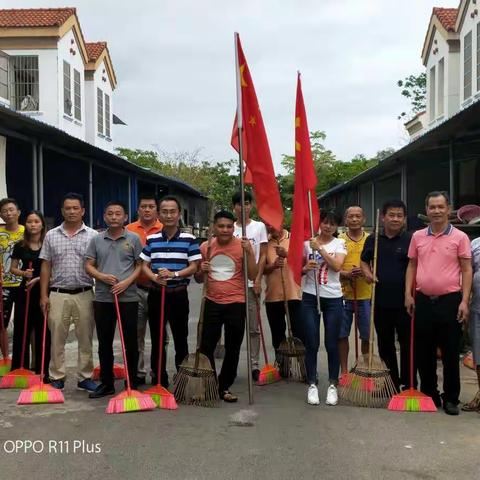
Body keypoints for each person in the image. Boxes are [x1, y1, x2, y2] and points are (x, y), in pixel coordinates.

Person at [405, 191, 472, 416]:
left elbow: (466, 269)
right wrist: (408, 294)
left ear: (448, 209)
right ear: (426, 210)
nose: (436, 211)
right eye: (432, 207)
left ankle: (451, 398)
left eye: (440, 207)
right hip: (423, 300)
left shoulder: (460, 237)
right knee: (424, 351)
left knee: (451, 351)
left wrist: (464, 300)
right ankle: (430, 393)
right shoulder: (418, 236)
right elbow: (412, 266)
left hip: (450, 301)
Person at [195, 210, 257, 402]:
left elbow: (253, 275)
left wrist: (249, 253)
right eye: (221, 226)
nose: (225, 230)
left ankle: (224, 386)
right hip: (212, 301)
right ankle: (211, 383)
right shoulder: (206, 247)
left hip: (236, 303)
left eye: (229, 226)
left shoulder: (243, 246)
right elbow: (198, 278)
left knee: (233, 347)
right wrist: (201, 270)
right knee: (206, 346)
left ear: (234, 227)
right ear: (214, 227)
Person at [39, 193, 98, 392]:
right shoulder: (51, 235)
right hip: (57, 293)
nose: (71, 212)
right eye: (67, 208)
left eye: (75, 208)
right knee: (56, 337)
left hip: (85, 293)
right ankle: (57, 376)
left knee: (85, 337)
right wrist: (43, 295)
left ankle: (85, 376)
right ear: (62, 211)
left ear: (83, 210)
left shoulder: (93, 236)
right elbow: (46, 266)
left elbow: (98, 264)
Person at [141, 195, 201, 387]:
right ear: (159, 214)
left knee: (180, 338)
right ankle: (159, 379)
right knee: (158, 339)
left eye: (172, 211)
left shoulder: (189, 239)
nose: (168, 215)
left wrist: (174, 275)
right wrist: (155, 278)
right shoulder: (152, 239)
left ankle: (183, 379)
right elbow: (143, 265)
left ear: (178, 214)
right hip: (157, 295)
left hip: (178, 295)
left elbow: (194, 266)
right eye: (164, 211)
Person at [86, 201, 143, 398]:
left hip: (128, 297)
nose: (114, 217)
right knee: (104, 342)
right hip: (103, 298)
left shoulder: (134, 239)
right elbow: (89, 265)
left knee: (130, 341)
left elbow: (139, 266)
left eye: (118, 214)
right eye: (110, 214)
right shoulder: (96, 239)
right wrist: (100, 277)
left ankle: (132, 382)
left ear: (125, 217)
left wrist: (126, 283)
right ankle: (107, 383)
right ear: (104, 217)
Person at [361, 199, 412, 392]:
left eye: (399, 215)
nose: (395, 219)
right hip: (380, 302)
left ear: (404, 219)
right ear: (383, 217)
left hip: (405, 302)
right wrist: (367, 273)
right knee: (385, 344)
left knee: (407, 345)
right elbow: (364, 261)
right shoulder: (373, 239)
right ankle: (390, 383)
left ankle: (408, 384)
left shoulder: (410, 239)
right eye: (391, 215)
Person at [302, 209, 346, 406]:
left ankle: (332, 385)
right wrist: (305, 268)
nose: (328, 226)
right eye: (325, 222)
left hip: (334, 298)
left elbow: (337, 266)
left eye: (333, 224)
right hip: (310, 296)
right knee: (311, 342)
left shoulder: (339, 243)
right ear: (319, 223)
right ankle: (311, 384)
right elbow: (297, 269)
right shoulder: (306, 244)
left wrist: (319, 249)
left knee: (331, 343)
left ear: (336, 227)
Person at [126, 194, 163, 384]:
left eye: (151, 206)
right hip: (136, 289)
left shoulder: (165, 230)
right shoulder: (129, 230)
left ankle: (158, 371)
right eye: (143, 206)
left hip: (159, 290)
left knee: (160, 335)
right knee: (136, 333)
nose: (147, 210)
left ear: (157, 210)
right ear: (138, 209)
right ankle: (137, 372)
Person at [232, 190, 268, 382]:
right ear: (234, 207)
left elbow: (262, 255)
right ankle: (233, 363)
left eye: (246, 203)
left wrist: (257, 280)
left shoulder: (259, 227)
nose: (243, 207)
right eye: (239, 204)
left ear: (251, 206)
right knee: (234, 327)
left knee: (253, 328)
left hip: (251, 283)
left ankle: (254, 364)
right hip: (232, 285)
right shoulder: (230, 227)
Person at [10, 211, 49, 379]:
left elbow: (53, 269)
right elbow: (12, 268)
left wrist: (39, 278)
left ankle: (42, 369)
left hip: (44, 290)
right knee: (22, 329)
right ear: (25, 225)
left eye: (36, 221)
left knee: (43, 329)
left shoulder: (48, 243)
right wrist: (24, 273)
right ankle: (20, 368)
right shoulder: (20, 245)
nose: (33, 224)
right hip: (24, 290)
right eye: (29, 222)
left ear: (42, 224)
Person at [338, 206, 372, 377]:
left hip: (365, 294)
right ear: (345, 220)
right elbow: (333, 267)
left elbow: (375, 265)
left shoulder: (371, 239)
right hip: (343, 294)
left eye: (358, 216)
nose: (354, 219)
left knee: (366, 336)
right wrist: (346, 274)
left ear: (364, 219)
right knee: (342, 335)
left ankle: (364, 369)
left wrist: (367, 273)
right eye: (350, 216)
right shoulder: (339, 240)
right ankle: (344, 371)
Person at [264, 224, 302, 360]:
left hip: (293, 294)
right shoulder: (265, 243)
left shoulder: (294, 239)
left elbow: (303, 262)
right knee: (277, 335)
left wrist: (287, 255)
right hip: (273, 296)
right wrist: (272, 266)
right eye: (266, 224)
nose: (270, 226)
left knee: (299, 333)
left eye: (272, 223)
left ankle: (303, 367)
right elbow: (261, 269)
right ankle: (283, 366)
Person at [0, 198, 25, 347]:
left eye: (11, 210)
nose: (8, 213)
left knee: (25, 323)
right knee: (2, 323)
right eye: (4, 211)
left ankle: (24, 361)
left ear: (18, 212)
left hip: (24, 283)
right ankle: (5, 359)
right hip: (3, 285)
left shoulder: (27, 231)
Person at [463, 236, 480, 412]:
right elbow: (467, 272)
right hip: (478, 309)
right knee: (479, 355)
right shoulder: (475, 244)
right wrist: (464, 303)